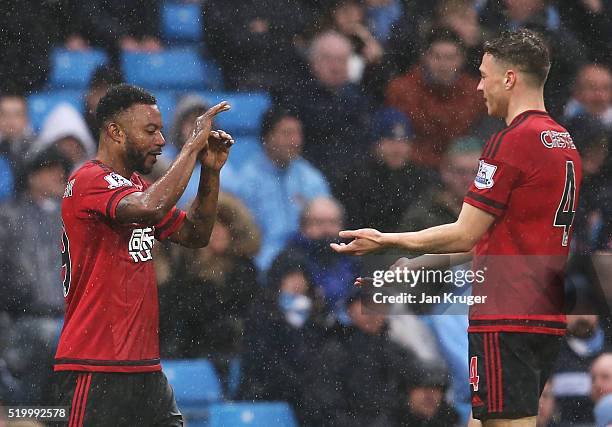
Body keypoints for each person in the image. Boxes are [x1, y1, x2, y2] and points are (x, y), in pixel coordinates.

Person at [332, 29, 583, 426]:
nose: (479, 86)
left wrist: (388, 240)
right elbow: (495, 235)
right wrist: (416, 266)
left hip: (506, 313)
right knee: (481, 421)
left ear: (510, 78)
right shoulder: (561, 140)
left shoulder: (512, 140)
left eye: (484, 75)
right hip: (541, 311)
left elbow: (466, 231)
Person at [52, 84, 234, 426]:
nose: (161, 140)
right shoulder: (89, 179)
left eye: (162, 131)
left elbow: (195, 234)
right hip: (94, 366)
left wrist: (209, 171)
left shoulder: (135, 187)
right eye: (150, 131)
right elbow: (149, 208)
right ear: (115, 132)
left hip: (145, 369)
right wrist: (192, 147)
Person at [228, 107, 331, 271]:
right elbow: (241, 236)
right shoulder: (245, 182)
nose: (295, 141)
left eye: (298, 133)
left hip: (309, 265)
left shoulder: (312, 179)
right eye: (287, 134)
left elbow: (330, 226)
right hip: (262, 266)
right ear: (267, 138)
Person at [385, 28, 485, 168]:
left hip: (463, 171)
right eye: (437, 57)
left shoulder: (476, 93)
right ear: (425, 57)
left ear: (462, 59)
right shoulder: (401, 90)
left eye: (450, 58)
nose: (444, 65)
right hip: (413, 169)